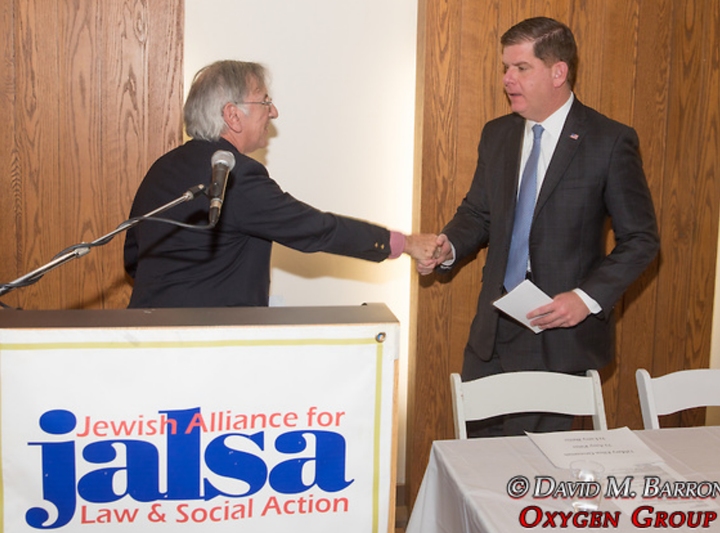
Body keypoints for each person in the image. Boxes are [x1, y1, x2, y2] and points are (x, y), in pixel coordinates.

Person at [419, 17, 660, 436]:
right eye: (505, 68)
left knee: (537, 479)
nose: (507, 79)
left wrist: (586, 299)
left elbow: (640, 239)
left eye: (520, 68)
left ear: (558, 71)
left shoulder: (609, 141)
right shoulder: (497, 135)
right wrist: (449, 247)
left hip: (558, 337)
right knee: (481, 469)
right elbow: (479, 213)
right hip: (491, 336)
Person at [124, 60, 436, 308]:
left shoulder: (160, 169)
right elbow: (316, 230)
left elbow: (133, 259)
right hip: (211, 352)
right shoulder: (237, 176)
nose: (273, 111)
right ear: (233, 115)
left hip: (149, 345)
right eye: (265, 101)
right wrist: (403, 243)